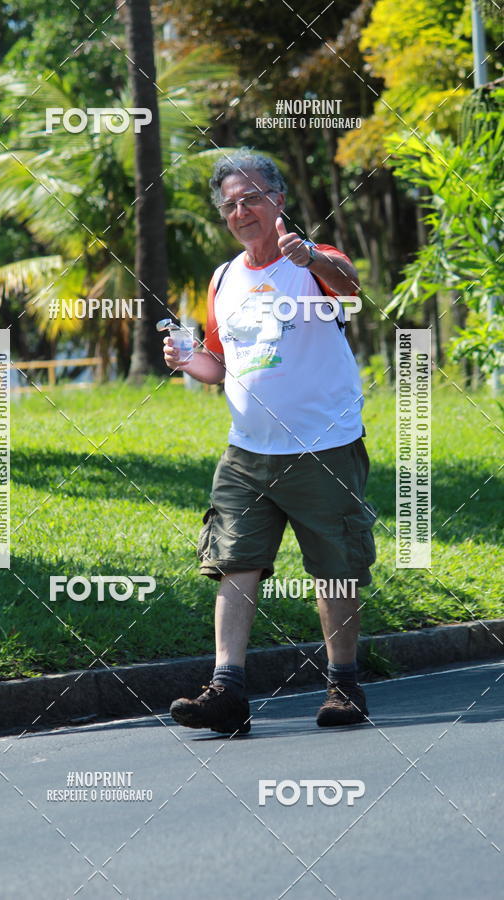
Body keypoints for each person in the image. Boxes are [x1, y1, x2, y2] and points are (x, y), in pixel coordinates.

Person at [164, 149, 377, 735]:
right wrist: (188, 361)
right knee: (236, 562)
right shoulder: (224, 278)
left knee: (335, 570)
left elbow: (353, 291)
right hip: (247, 452)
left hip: (323, 446)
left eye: (251, 197)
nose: (241, 211)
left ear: (278, 201)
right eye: (230, 204)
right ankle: (227, 689)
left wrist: (308, 255)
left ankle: (344, 686)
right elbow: (221, 365)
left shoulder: (313, 261)